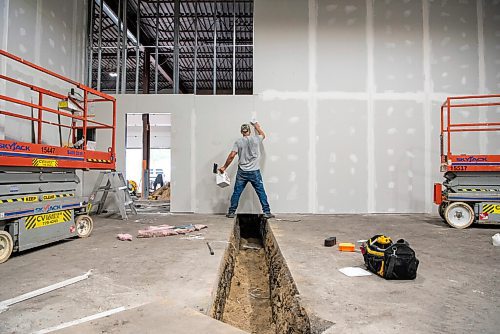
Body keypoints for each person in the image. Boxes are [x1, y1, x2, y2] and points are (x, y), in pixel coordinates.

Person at [219, 122, 275, 219]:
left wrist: (224, 167)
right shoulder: (256, 139)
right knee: (261, 191)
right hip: (255, 171)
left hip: (242, 172)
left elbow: (232, 155)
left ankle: (231, 212)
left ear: (241, 132)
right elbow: (263, 135)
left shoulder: (238, 142)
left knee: (237, 192)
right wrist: (257, 127)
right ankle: (267, 212)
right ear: (249, 131)